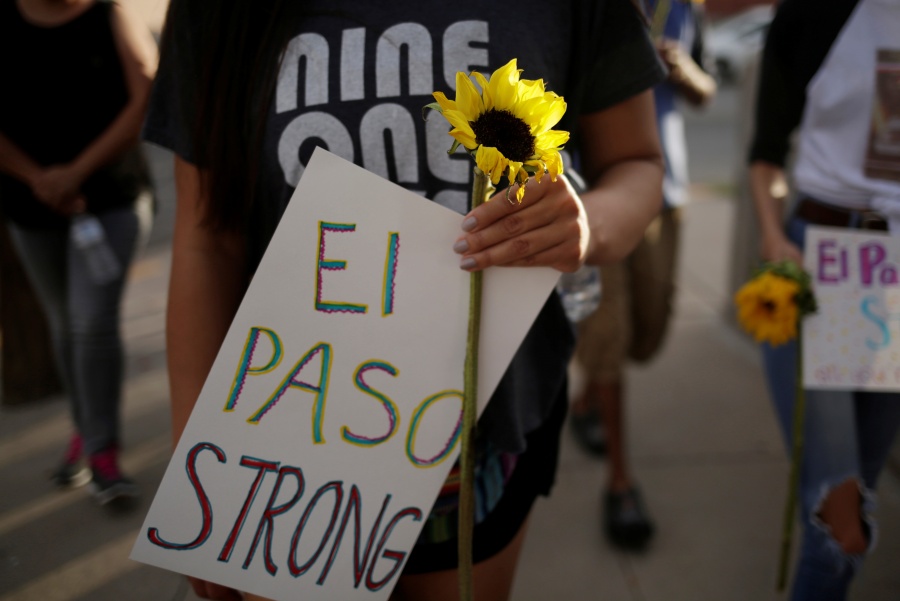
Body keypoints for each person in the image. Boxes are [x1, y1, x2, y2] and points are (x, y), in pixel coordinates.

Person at [145, 0, 666, 598]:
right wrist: (199, 481)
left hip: (482, 441)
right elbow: (207, 236)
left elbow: (638, 162)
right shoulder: (211, 14)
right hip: (285, 448)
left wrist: (585, 224)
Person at [748, 0, 900, 598]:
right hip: (818, 261)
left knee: (857, 510)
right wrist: (772, 235)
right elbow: (764, 154)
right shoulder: (813, 14)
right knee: (836, 521)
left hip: (891, 273)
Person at [569, 0, 716, 550]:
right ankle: (622, 482)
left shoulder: (685, 11)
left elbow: (707, 93)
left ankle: (586, 399)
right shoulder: (589, 10)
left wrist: (680, 69)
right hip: (593, 198)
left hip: (665, 193)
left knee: (647, 336)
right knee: (610, 336)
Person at [0, 0, 157, 504]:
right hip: (32, 206)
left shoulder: (110, 12)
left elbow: (146, 96)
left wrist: (75, 172)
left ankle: (102, 450)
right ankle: (85, 430)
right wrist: (38, 178)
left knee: (91, 322)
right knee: (63, 322)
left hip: (110, 198)